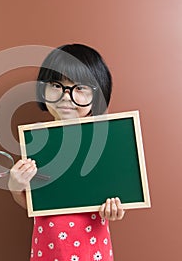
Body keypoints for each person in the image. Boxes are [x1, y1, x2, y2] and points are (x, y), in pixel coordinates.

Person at [8, 44, 125, 261]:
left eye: (80, 87)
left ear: (97, 94)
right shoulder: (38, 141)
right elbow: (36, 204)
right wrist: (16, 189)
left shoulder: (103, 143)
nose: (66, 96)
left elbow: (121, 191)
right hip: (48, 248)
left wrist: (116, 208)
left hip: (93, 250)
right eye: (56, 85)